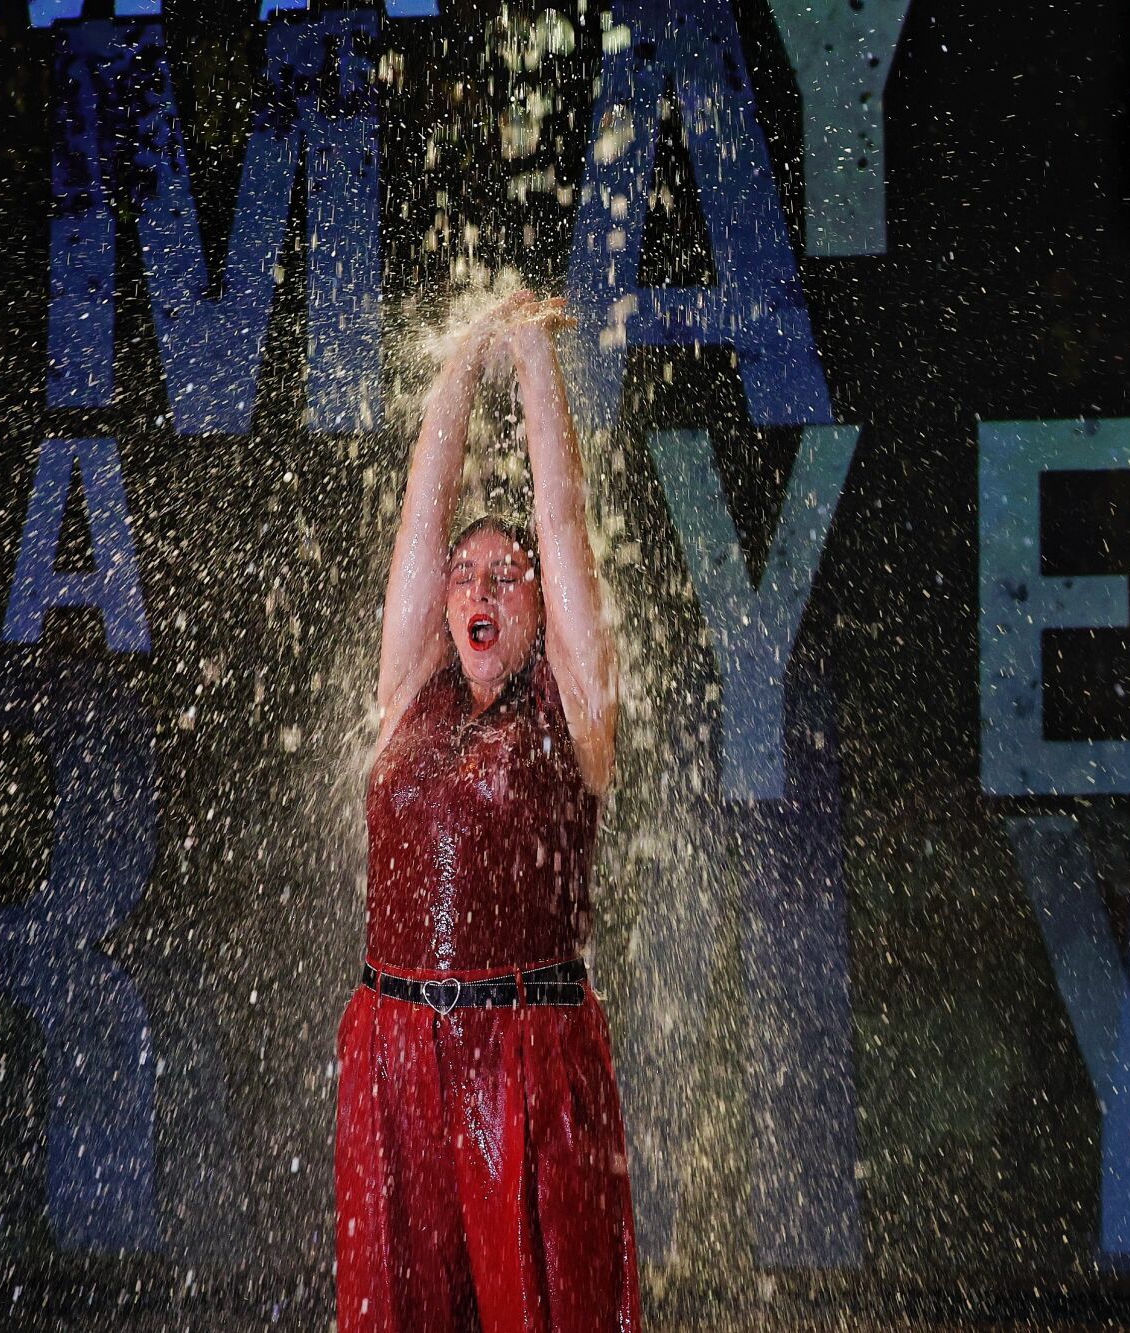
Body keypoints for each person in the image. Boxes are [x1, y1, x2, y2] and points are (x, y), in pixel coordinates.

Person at [334, 288, 642, 1333]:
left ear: (537, 604)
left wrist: (529, 359)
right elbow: (422, 518)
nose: (478, 584)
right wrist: (459, 364)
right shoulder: (407, 695)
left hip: (525, 1054)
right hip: (393, 1052)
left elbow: (560, 522)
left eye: (504, 577)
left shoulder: (575, 709)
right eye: (465, 573)